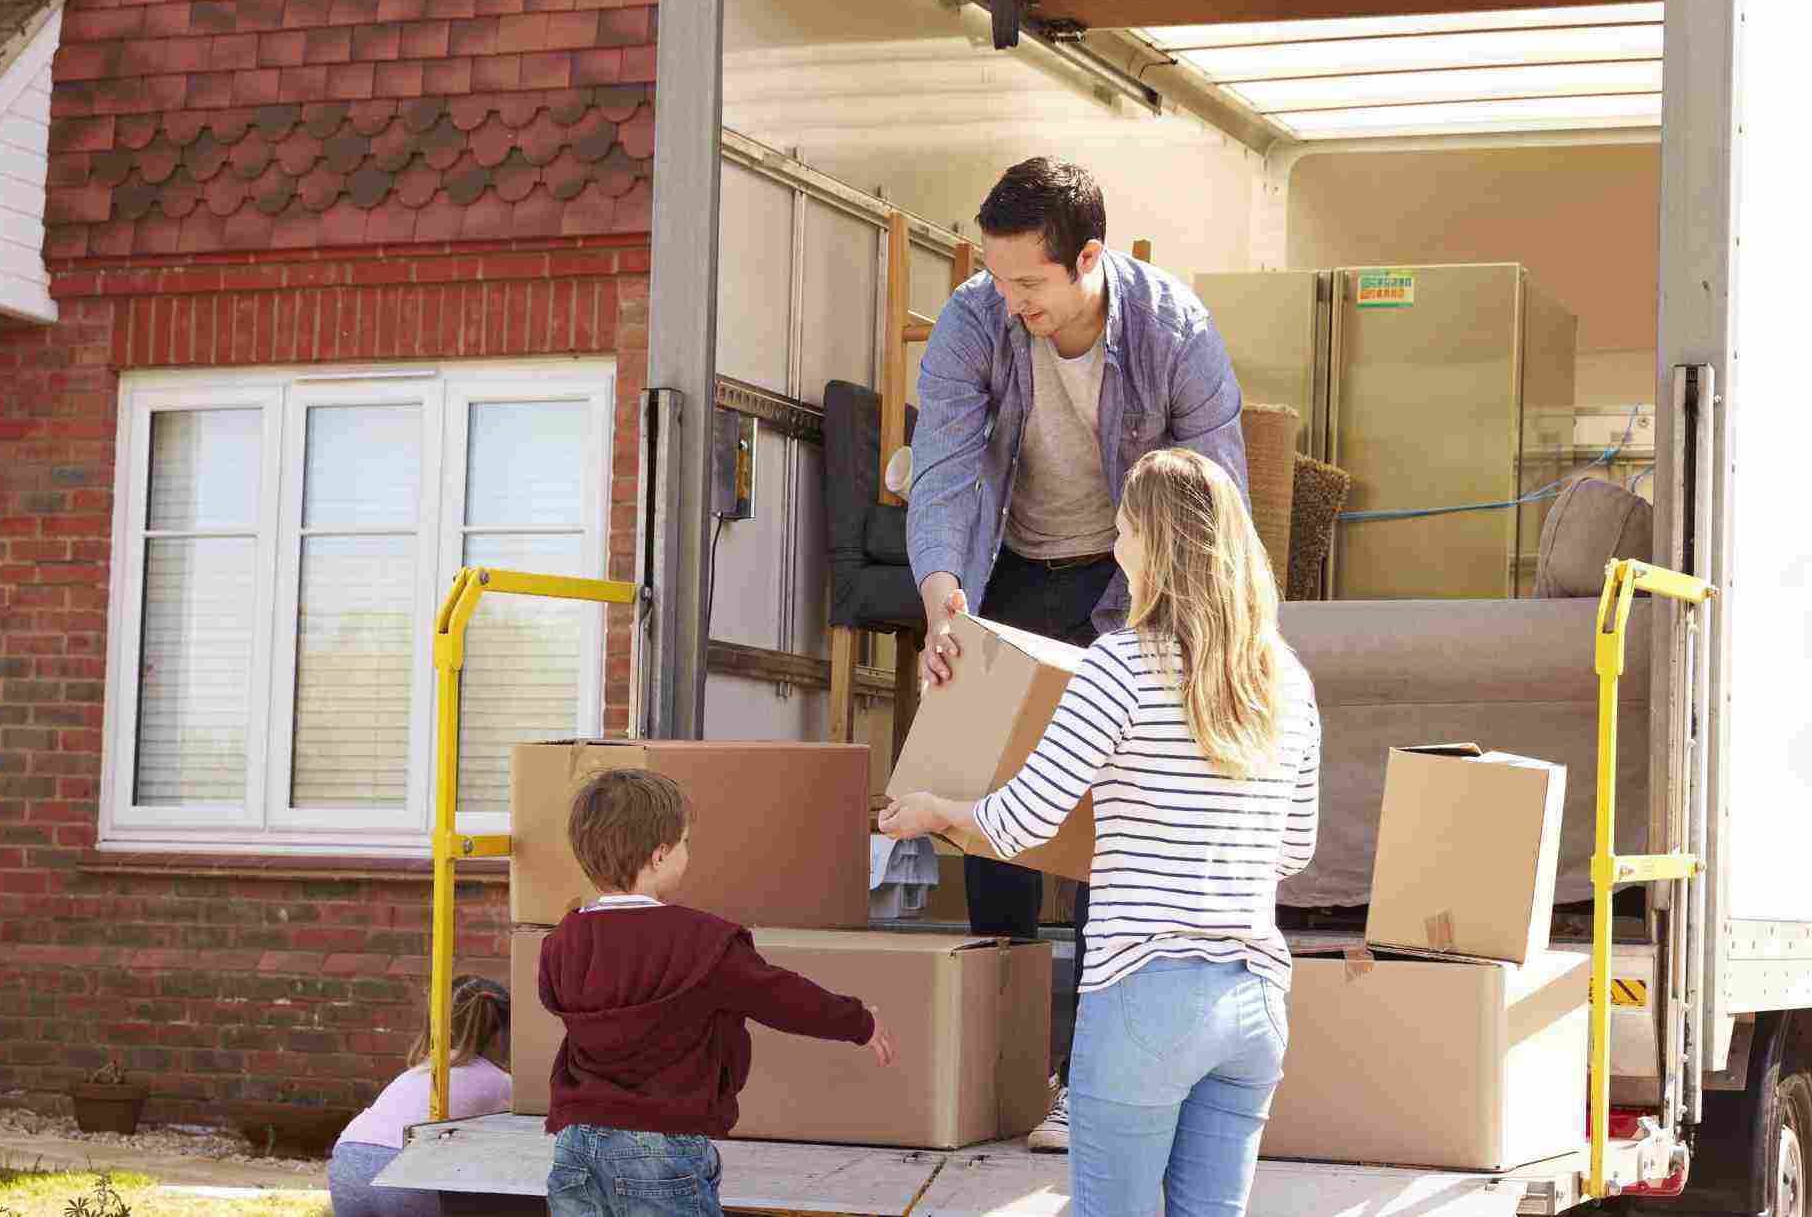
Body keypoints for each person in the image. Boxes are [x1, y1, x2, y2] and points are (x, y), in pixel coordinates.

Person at [907, 156, 1251, 1150]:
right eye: (997, 278)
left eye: (1029, 284)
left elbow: (1212, 489)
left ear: (1088, 259)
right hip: (1006, 570)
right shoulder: (977, 318)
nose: (1009, 302)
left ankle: (1093, 1084)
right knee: (991, 812)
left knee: (1115, 825)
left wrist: (1183, 633)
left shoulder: (1171, 329)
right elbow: (944, 462)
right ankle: (1001, 1070)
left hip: (1128, 582)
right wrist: (942, 595)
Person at [882, 448, 1321, 1217]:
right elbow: (1296, 848)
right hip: (1255, 1003)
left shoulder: (1119, 667)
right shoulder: (1284, 678)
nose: (1117, 549)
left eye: (1123, 531)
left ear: (1154, 545)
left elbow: (1022, 821)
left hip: (1144, 990)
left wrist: (935, 813)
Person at [538, 768, 898, 1217]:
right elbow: (781, 997)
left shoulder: (560, 942)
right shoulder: (702, 943)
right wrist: (858, 1022)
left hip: (574, 1144)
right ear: (659, 855)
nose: (688, 851)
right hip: (660, 1149)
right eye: (685, 841)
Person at [330, 974, 515, 1217]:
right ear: (501, 1034)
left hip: (348, 1158)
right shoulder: (500, 1082)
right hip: (405, 1170)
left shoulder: (423, 1070)